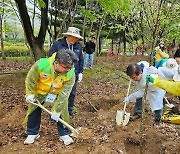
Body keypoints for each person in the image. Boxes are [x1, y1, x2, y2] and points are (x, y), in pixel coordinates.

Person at [24, 49, 78, 145]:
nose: (68, 70)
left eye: (70, 68)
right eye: (65, 67)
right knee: (33, 110)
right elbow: (31, 79)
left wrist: (57, 110)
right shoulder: (40, 65)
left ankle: (64, 134)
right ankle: (33, 133)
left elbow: (65, 94)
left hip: (57, 94)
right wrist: (30, 93)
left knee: (62, 110)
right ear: (56, 63)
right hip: (40, 92)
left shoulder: (70, 73)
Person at [49, 27, 84, 117]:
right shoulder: (58, 45)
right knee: (58, 93)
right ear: (67, 35)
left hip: (73, 74)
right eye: (72, 37)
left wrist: (80, 72)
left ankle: (69, 110)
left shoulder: (78, 47)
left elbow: (81, 60)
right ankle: (55, 111)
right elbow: (51, 57)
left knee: (71, 93)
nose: (74, 39)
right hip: (59, 74)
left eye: (76, 38)